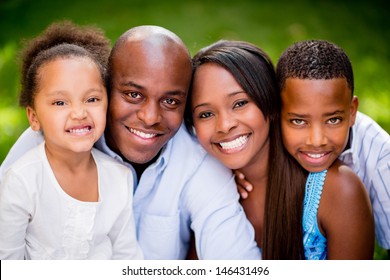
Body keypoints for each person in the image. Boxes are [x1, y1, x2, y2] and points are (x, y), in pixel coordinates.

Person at [0, 25, 260, 260]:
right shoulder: (45, 146)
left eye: (170, 101)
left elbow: (236, 263)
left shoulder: (198, 161)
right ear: (105, 88)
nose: (150, 117)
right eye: (133, 94)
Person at [186, 39, 374, 259]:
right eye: (205, 114)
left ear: (271, 102)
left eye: (240, 103)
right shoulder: (211, 189)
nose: (225, 125)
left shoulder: (337, 190)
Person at [0, 21, 143, 259]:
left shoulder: (119, 177)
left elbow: (126, 256)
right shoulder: (22, 181)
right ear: (33, 118)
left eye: (92, 99)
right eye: (60, 102)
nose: (79, 113)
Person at [237, 39, 390, 258]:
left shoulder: (380, 155)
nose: (316, 140)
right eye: (299, 121)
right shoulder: (255, 145)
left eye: (334, 120)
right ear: (277, 112)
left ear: (352, 111)